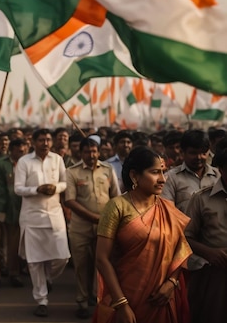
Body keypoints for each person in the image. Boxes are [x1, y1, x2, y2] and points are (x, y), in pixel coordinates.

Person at [94, 146, 192, 323]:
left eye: (163, 172)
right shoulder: (117, 207)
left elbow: (181, 250)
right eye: (155, 172)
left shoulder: (167, 209)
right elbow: (102, 259)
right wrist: (121, 303)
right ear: (134, 175)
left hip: (162, 297)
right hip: (127, 294)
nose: (162, 179)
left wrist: (171, 283)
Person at [14, 128, 70, 318]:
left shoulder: (57, 159)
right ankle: (41, 300)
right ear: (34, 142)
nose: (45, 143)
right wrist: (37, 189)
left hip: (54, 215)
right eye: (41, 140)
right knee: (35, 261)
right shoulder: (24, 161)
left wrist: (55, 188)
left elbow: (65, 183)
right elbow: (18, 188)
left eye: (48, 140)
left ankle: (48, 278)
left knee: (62, 257)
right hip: (32, 217)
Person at [65, 137, 120, 319]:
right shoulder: (72, 172)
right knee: (81, 265)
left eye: (94, 151)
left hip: (105, 228)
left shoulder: (108, 169)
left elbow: (116, 197)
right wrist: (95, 217)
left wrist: (109, 219)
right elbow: (70, 201)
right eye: (88, 152)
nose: (92, 155)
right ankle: (81, 301)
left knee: (101, 265)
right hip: (80, 228)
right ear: (81, 153)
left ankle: (98, 301)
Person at [184, 147, 227, 323]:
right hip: (215, 274)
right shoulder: (201, 198)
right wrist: (210, 253)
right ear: (221, 169)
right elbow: (185, 237)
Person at [0, 138, 28, 290]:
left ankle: (13, 273)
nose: (21, 152)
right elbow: (6, 187)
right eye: (18, 150)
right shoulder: (0, 163)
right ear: (12, 151)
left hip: (16, 209)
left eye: (23, 150)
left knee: (13, 244)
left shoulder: (27, 165)